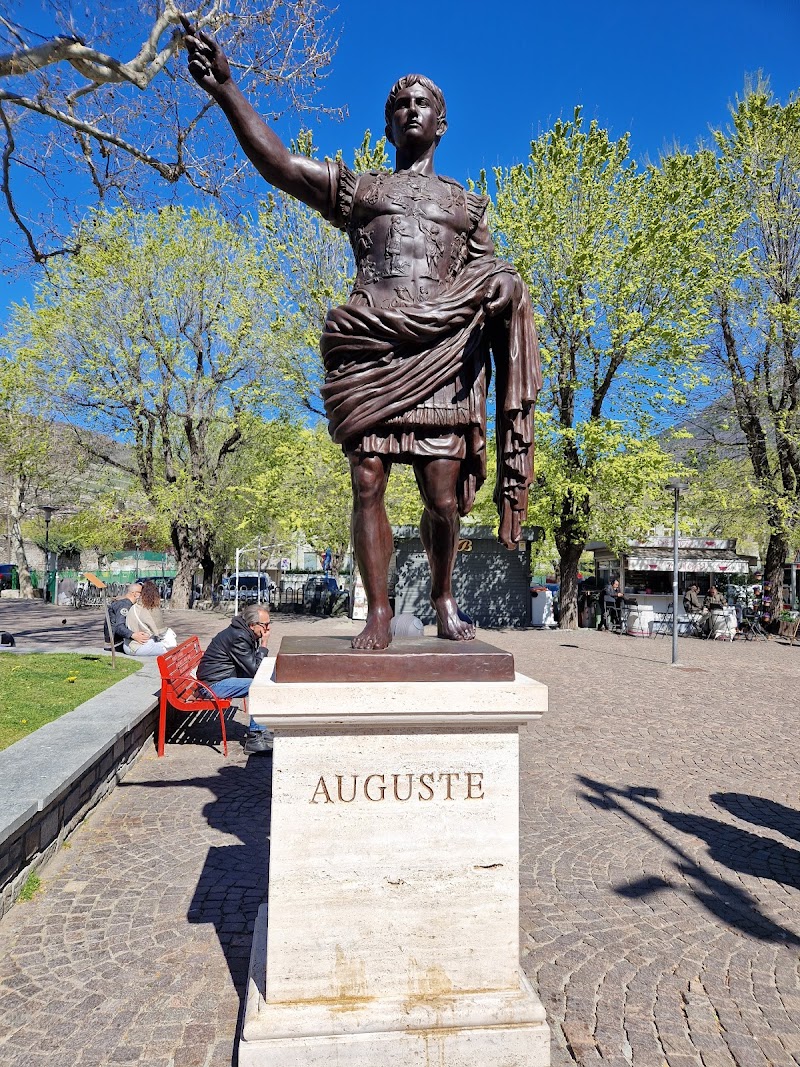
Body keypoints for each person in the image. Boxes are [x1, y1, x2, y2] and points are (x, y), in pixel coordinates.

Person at [182, 25, 541, 652]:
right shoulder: (362, 190)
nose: (409, 110)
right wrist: (228, 91)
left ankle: (442, 598)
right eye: (398, 104)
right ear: (387, 124)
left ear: (441, 123)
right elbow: (282, 166)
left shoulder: (468, 206)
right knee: (368, 479)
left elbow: (495, 273)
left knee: (442, 497)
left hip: (440, 359)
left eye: (421, 102)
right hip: (370, 349)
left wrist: (508, 290)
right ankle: (377, 610)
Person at [196, 604, 272, 755]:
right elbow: (255, 670)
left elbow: (252, 666)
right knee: (259, 686)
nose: (268, 629)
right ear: (252, 625)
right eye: (265, 625)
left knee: (263, 683)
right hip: (213, 684)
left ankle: (261, 730)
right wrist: (264, 645)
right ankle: (254, 739)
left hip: (223, 677)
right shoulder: (239, 636)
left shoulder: (244, 633)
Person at [124, 580, 177, 657]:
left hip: (127, 646)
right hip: (141, 647)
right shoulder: (152, 609)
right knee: (173, 648)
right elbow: (161, 632)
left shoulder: (134, 607)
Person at [105, 583, 152, 654]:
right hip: (116, 645)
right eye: (142, 593)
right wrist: (133, 635)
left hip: (116, 642)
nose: (143, 596)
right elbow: (119, 627)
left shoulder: (124, 602)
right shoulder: (124, 605)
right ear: (135, 593)